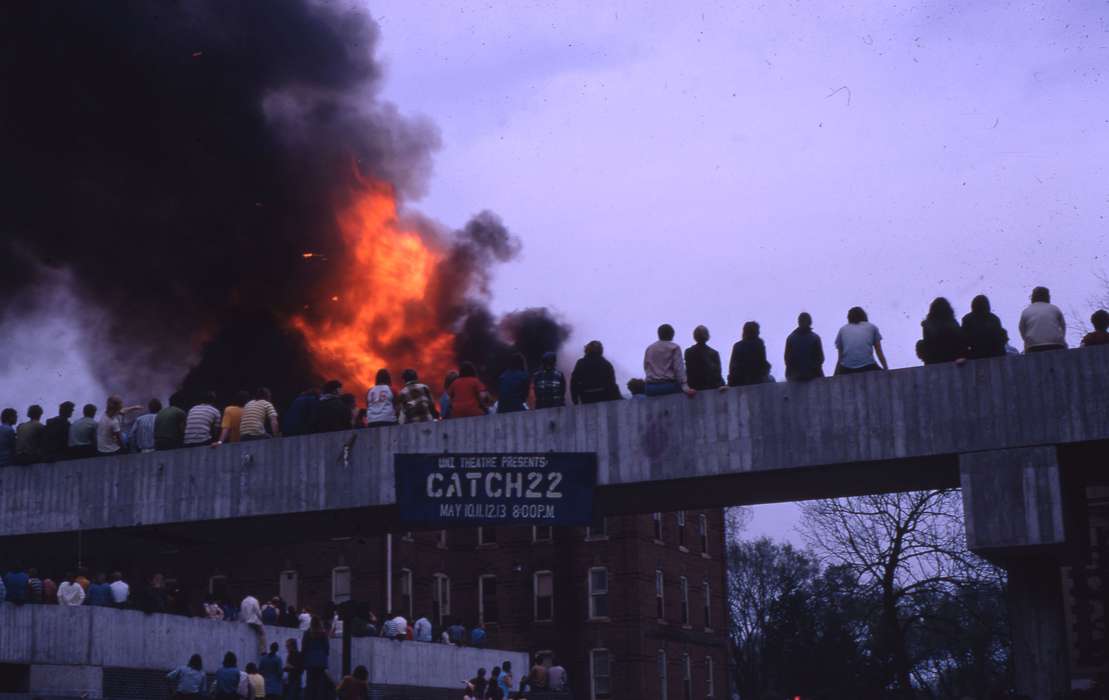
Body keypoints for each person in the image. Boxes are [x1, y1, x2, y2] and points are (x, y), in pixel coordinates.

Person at [644, 324, 695, 397]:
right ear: (672, 334)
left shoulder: (649, 348)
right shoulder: (674, 347)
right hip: (669, 386)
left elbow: (646, 367)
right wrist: (685, 387)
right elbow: (679, 369)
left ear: (659, 334)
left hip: (650, 388)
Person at [834, 306, 888, 374]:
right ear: (864, 315)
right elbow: (879, 351)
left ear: (849, 317)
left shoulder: (842, 330)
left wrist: (835, 375)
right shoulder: (872, 327)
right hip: (868, 366)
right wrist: (886, 368)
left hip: (847, 368)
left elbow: (840, 358)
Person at [918, 297, 968, 364]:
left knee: (920, 344)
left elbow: (927, 344)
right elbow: (961, 340)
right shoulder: (953, 323)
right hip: (952, 358)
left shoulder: (927, 324)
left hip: (934, 359)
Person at [1019, 286, 1067, 352]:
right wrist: (1061, 340)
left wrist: (1028, 342)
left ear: (1032, 297)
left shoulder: (1026, 311)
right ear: (1048, 297)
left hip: (1033, 347)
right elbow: (1063, 327)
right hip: (1056, 345)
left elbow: (1022, 330)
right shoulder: (1054, 309)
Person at [961, 295, 1009, 360]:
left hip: (974, 358)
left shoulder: (967, 319)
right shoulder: (994, 319)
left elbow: (963, 341)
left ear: (973, 306)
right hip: (994, 358)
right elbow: (1000, 340)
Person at [728, 321, 772, 386]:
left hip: (739, 381)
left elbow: (733, 367)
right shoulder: (759, 344)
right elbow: (762, 363)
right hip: (756, 381)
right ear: (756, 332)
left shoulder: (738, 346)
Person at [784, 313, 826, 381]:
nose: (804, 323)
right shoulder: (792, 339)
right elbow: (787, 360)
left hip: (804, 376)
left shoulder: (791, 338)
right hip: (802, 376)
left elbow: (820, 359)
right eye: (802, 321)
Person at [685, 325, 725, 391]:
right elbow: (718, 374)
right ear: (707, 336)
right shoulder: (714, 353)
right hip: (712, 388)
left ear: (695, 336)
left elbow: (689, 372)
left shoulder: (689, 352)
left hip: (694, 388)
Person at [301, 616, 331, 700]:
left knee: (310, 683)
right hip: (321, 661)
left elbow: (304, 647)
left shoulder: (307, 633)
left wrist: (303, 660)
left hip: (310, 661)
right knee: (319, 684)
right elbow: (326, 647)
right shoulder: (323, 633)